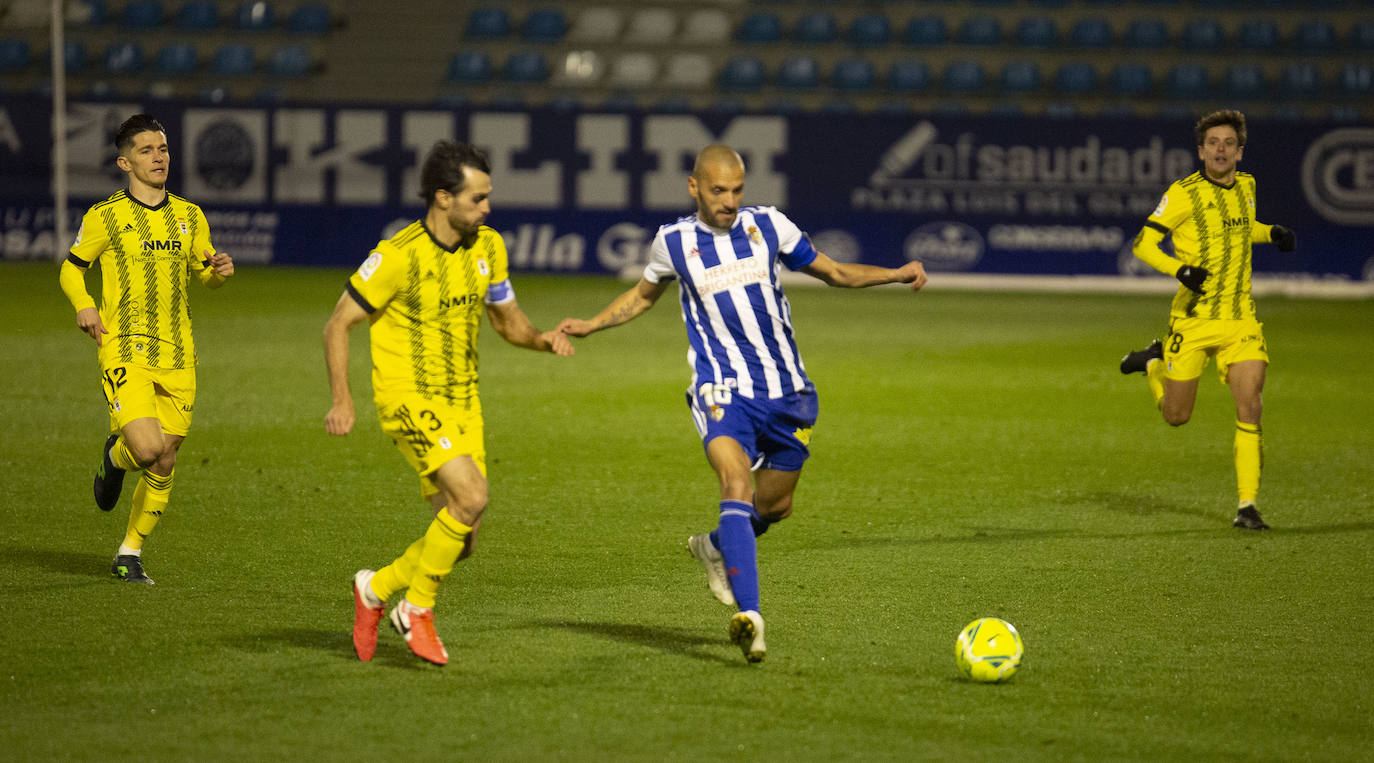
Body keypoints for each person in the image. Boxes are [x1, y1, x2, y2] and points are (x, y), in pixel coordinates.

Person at [557, 144, 928, 663]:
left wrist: (896, 272)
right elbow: (643, 295)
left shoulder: (769, 227)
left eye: (736, 190)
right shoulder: (674, 242)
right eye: (717, 191)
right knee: (735, 483)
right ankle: (750, 616)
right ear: (694, 188)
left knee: (775, 506)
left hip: (789, 392)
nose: (729, 201)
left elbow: (835, 272)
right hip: (722, 389)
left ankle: (715, 545)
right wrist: (593, 324)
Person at [325, 140, 575, 667]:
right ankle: (416, 609)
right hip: (407, 398)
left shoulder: (489, 247)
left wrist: (542, 339)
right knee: (472, 495)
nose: (487, 208)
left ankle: (374, 589)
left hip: (464, 403)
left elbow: (507, 322)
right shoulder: (396, 256)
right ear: (443, 197)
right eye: (477, 198)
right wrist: (342, 400)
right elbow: (337, 324)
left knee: (462, 538)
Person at [58, 113, 235, 585]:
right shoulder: (105, 216)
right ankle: (114, 458)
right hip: (124, 347)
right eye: (146, 151)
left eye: (163, 149)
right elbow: (71, 269)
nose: (158, 158)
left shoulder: (189, 215)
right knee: (146, 446)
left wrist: (217, 271)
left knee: (165, 458)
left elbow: (204, 275)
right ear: (124, 161)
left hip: (179, 354)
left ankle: (129, 552)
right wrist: (85, 304)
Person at [1119, 109, 1296, 531]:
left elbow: (1241, 227)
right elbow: (1143, 244)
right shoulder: (1182, 193)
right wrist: (1178, 270)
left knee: (1250, 404)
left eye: (1228, 143)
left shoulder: (1247, 186)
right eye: (1213, 143)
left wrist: (1270, 232)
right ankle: (1152, 363)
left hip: (1240, 321)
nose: (1221, 149)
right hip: (1193, 321)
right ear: (1201, 151)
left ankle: (1247, 506)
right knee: (1176, 416)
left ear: (1239, 151)